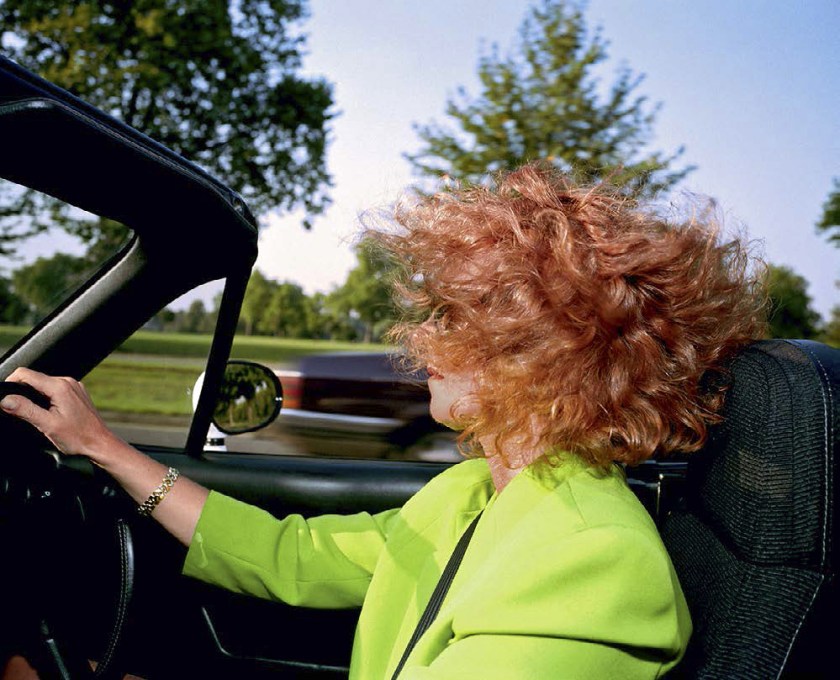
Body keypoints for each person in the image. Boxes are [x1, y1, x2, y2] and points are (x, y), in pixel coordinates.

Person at [1, 164, 766, 679]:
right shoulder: (472, 493)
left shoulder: (595, 561)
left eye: (455, 320)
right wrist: (102, 447)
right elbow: (288, 556)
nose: (420, 343)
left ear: (547, 358)